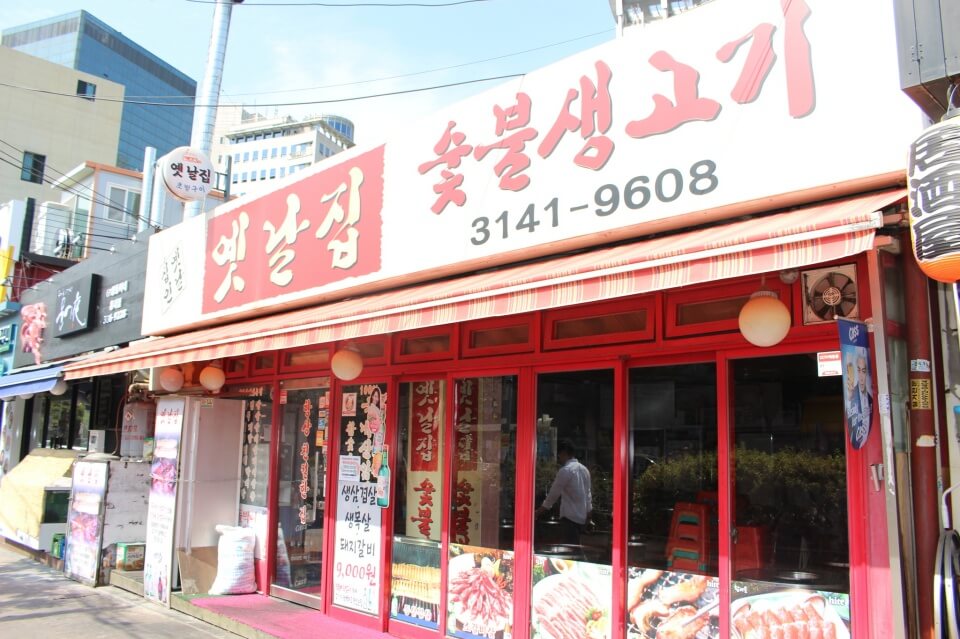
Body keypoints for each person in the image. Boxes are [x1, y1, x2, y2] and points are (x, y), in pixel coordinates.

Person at [535, 440, 592, 548]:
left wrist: (539, 511)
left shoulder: (565, 471)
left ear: (564, 453)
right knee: (575, 547)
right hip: (582, 517)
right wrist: (589, 512)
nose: (559, 458)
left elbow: (553, 495)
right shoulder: (585, 470)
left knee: (571, 549)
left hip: (569, 517)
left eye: (559, 455)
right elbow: (588, 494)